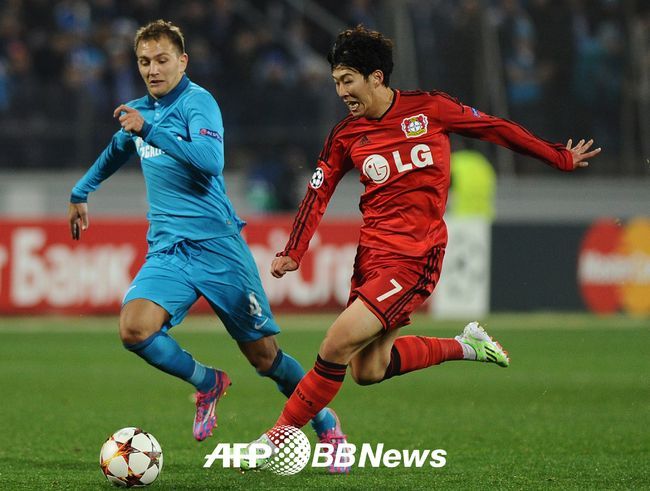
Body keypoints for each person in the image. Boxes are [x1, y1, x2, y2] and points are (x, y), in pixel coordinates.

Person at [243, 25, 600, 469]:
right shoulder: (345, 134)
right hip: (371, 257)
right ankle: (467, 346)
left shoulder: (430, 109)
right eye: (336, 82)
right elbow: (318, 191)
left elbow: (495, 128)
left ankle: (275, 439)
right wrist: (294, 251)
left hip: (415, 257)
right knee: (368, 370)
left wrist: (558, 156)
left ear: (376, 77)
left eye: (347, 80)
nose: (341, 92)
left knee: (335, 344)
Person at [66, 19, 348, 472]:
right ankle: (207, 382)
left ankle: (327, 424)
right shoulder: (138, 111)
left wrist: (149, 130)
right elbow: (118, 148)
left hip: (219, 249)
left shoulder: (198, 103)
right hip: (169, 251)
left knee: (265, 358)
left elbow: (210, 161)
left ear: (182, 61)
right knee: (134, 329)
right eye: (144, 61)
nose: (153, 69)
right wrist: (81, 191)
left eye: (162, 60)